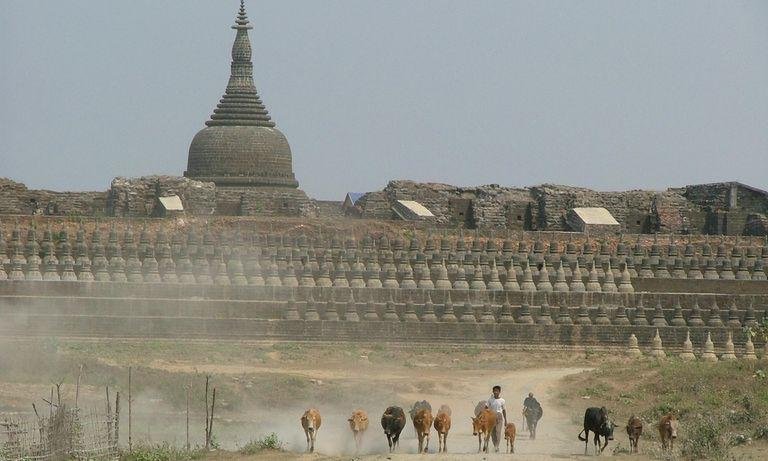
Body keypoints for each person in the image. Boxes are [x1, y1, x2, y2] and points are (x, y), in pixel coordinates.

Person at [487, 385, 507, 452]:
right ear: (492, 391)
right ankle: (495, 445)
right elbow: (486, 407)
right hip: (491, 417)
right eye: (494, 391)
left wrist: (506, 420)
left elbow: (504, 410)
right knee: (492, 434)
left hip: (499, 417)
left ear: (499, 392)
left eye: (497, 391)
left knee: (498, 432)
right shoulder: (490, 400)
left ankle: (497, 446)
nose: (495, 392)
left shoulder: (502, 400)